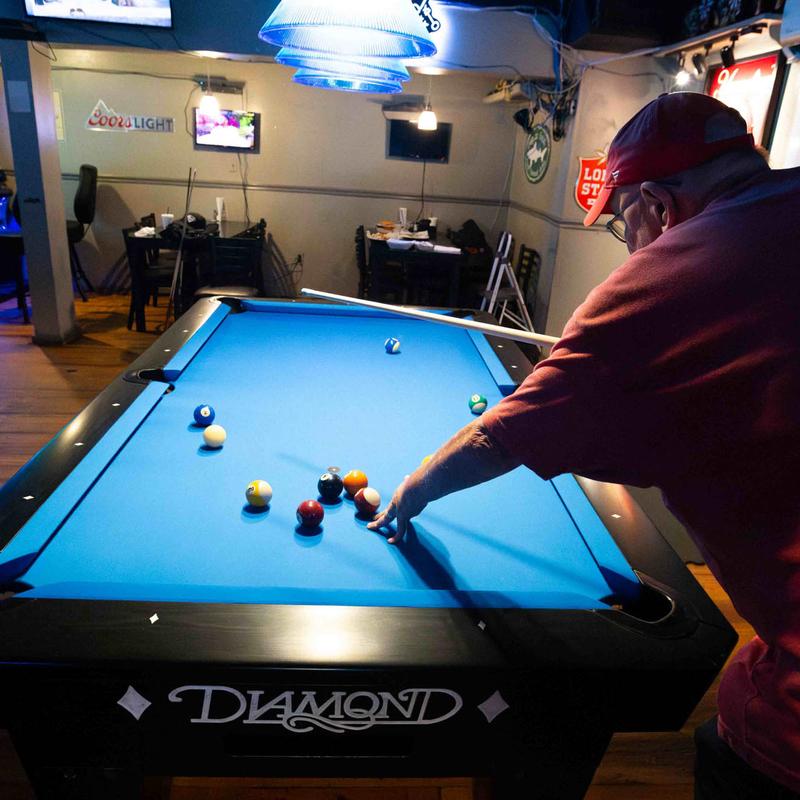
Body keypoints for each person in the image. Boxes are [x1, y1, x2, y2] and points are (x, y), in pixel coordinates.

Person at [368, 92, 800, 798]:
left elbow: (503, 435)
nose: (629, 244)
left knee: (742, 739)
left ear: (657, 205)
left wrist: (414, 488)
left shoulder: (666, 278)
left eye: (623, 222)